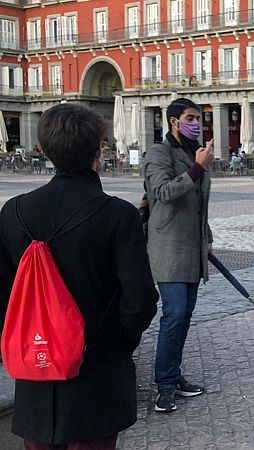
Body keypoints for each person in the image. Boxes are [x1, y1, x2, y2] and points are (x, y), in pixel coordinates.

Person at [0, 103, 159, 449]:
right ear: (98, 149)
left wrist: (20, 345)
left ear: (45, 150)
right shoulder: (118, 215)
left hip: (36, 369)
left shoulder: (13, 213)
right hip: (97, 370)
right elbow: (142, 299)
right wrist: (118, 344)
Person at [143, 98, 215, 413]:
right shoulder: (159, 153)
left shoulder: (191, 152)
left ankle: (173, 374)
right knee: (174, 314)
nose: (196, 123)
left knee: (184, 316)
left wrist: (207, 237)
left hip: (191, 247)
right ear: (173, 121)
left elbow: (199, 202)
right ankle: (165, 386)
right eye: (190, 117)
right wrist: (198, 167)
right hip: (168, 246)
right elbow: (162, 193)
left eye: (198, 118)